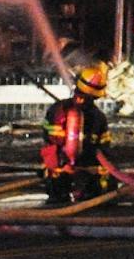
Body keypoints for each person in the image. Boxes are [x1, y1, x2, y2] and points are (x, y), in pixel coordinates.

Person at [41, 61, 118, 206]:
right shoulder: (59, 112)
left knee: (106, 186)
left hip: (88, 164)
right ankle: (59, 196)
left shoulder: (97, 117)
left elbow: (104, 147)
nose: (81, 100)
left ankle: (92, 196)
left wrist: (99, 167)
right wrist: (63, 163)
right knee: (57, 189)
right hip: (61, 164)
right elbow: (50, 141)